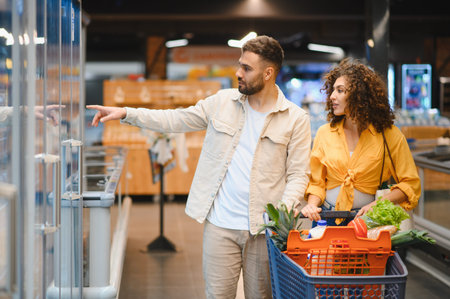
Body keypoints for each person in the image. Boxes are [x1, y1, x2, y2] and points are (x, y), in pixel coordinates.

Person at [88, 35, 311, 299]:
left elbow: (298, 175)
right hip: (220, 226)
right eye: (239, 64)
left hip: (262, 232)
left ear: (268, 73)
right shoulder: (221, 102)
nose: (238, 72)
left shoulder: (296, 119)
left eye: (247, 68)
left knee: (261, 296)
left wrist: (280, 217)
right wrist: (126, 113)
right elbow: (175, 119)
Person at [301, 58, 420, 226]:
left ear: (359, 95)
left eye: (340, 90)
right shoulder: (324, 133)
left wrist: (377, 204)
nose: (332, 96)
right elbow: (317, 183)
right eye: (333, 90)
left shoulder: (389, 135)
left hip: (369, 220)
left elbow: (410, 183)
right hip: (326, 219)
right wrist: (312, 205)